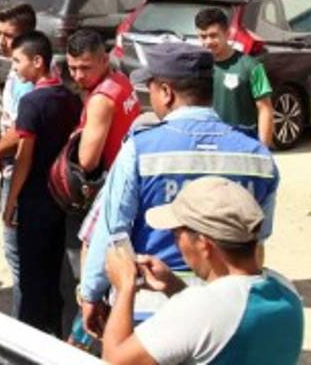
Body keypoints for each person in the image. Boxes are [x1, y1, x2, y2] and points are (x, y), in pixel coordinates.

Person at [79, 43, 280, 338]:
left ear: (166, 92)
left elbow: (112, 232)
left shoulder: (139, 149)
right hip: (227, 314)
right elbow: (259, 238)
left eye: (151, 88)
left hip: (151, 310)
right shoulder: (258, 157)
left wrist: (90, 294)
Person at [100, 177, 303, 365]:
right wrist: (172, 286)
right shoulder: (286, 289)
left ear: (204, 244)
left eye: (177, 233)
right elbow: (217, 321)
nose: (175, 242)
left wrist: (125, 287)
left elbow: (114, 360)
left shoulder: (202, 308)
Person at [1, 31, 83, 335]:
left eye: (18, 61)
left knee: (33, 276)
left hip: (35, 200)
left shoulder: (32, 102)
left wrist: (11, 201)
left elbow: (24, 157)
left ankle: (30, 338)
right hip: (62, 199)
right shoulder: (70, 98)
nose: (15, 69)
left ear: (38, 61)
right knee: (55, 273)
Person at [66, 28, 140, 326]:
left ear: (103, 59)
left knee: (88, 267)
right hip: (128, 184)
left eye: (85, 67)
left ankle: (85, 332)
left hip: (108, 192)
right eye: (72, 68)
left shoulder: (101, 99)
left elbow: (87, 160)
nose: (78, 75)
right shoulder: (121, 82)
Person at [0, 1, 37, 316]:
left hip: (19, 174)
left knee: (20, 263)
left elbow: (21, 133)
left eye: (10, 35)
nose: (2, 41)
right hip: (12, 170)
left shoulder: (27, 76)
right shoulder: (17, 71)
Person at [194, 8, 273, 147]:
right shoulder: (196, 67)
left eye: (213, 35)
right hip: (208, 145)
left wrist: (263, 148)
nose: (207, 42)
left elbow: (265, 108)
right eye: (202, 36)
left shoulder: (252, 66)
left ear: (228, 33)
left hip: (243, 144)